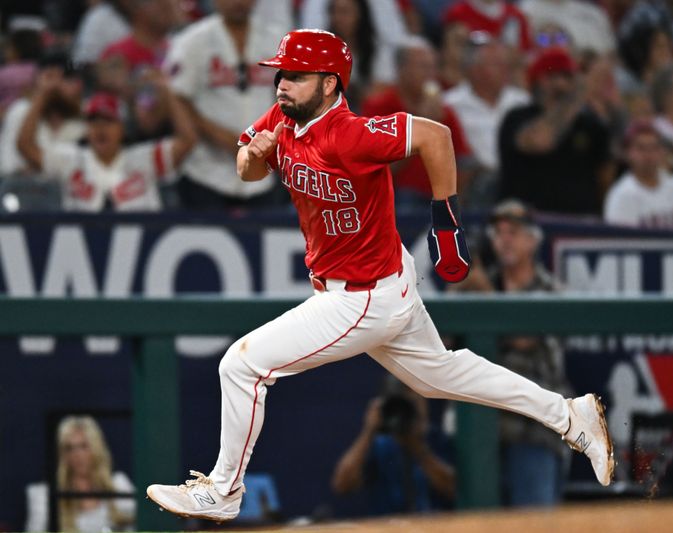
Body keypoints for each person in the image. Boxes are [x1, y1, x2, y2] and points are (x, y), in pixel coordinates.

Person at [145, 29, 614, 521]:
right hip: (380, 283)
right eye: (281, 73)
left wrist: (445, 217)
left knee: (241, 366)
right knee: (441, 375)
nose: (282, 83)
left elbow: (436, 136)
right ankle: (568, 415)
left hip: (363, 296)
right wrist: (253, 155)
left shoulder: (350, 133)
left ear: (330, 84)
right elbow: (246, 170)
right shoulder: (283, 118)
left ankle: (223, 490)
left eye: (297, 76)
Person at [456, 199, 573, 506]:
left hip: (532, 430)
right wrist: (458, 290)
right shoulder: (481, 282)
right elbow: (442, 345)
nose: (504, 239)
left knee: (534, 524)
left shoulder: (550, 289)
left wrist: (482, 293)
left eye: (513, 232)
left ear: (533, 241)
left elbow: (523, 337)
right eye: (498, 232)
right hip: (482, 430)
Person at [162, 0, 288, 209]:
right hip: (206, 173)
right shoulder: (193, 41)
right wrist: (222, 137)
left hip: (261, 176)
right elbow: (178, 96)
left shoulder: (275, 40)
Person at [16, 70, 196, 211]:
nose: (100, 128)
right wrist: (43, 95)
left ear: (122, 128)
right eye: (94, 121)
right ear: (86, 129)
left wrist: (167, 92)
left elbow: (188, 141)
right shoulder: (71, 160)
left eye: (108, 121)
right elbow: (25, 146)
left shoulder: (143, 159)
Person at [498, 47, 614, 215]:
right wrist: (578, 94)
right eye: (558, 75)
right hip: (528, 225)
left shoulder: (590, 124)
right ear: (538, 80)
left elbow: (605, 175)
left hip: (581, 224)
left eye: (569, 76)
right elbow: (541, 141)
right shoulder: (517, 118)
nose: (566, 83)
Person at [361, 37, 474, 207]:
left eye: (433, 67)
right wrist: (417, 128)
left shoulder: (442, 111)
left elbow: (464, 158)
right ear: (401, 69)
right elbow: (376, 169)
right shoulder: (379, 107)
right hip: (396, 195)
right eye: (423, 67)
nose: (430, 74)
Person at [331, 380, 455, 514]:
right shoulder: (379, 445)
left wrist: (418, 448)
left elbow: (454, 490)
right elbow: (342, 484)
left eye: (413, 404)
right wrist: (368, 431)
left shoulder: (437, 439)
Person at [442, 32, 530, 205]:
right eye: (496, 64)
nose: (505, 70)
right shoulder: (451, 104)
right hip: (474, 184)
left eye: (505, 64)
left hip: (518, 179)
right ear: (474, 70)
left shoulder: (522, 101)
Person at [25, 416, 135, 532]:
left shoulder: (119, 486)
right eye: (69, 448)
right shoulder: (44, 496)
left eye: (83, 446)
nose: (77, 455)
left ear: (96, 448)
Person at [604, 120, 673, 230]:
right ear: (628, 153)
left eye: (654, 147)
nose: (648, 155)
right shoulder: (622, 195)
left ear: (662, 151)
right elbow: (621, 242)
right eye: (641, 148)